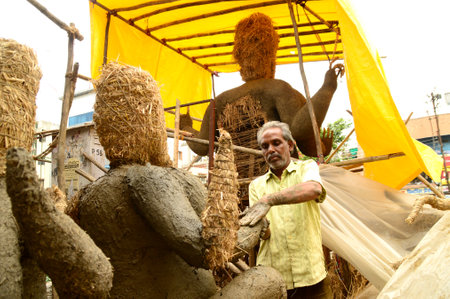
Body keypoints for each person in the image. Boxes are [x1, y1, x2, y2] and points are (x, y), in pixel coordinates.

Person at [240, 121, 332, 299]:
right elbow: (264, 234)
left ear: (289, 146)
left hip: (312, 276)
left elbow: (314, 189)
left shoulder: (307, 168)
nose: (270, 150)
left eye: (276, 143)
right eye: (265, 146)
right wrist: (259, 228)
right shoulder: (256, 185)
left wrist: (269, 200)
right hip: (274, 281)